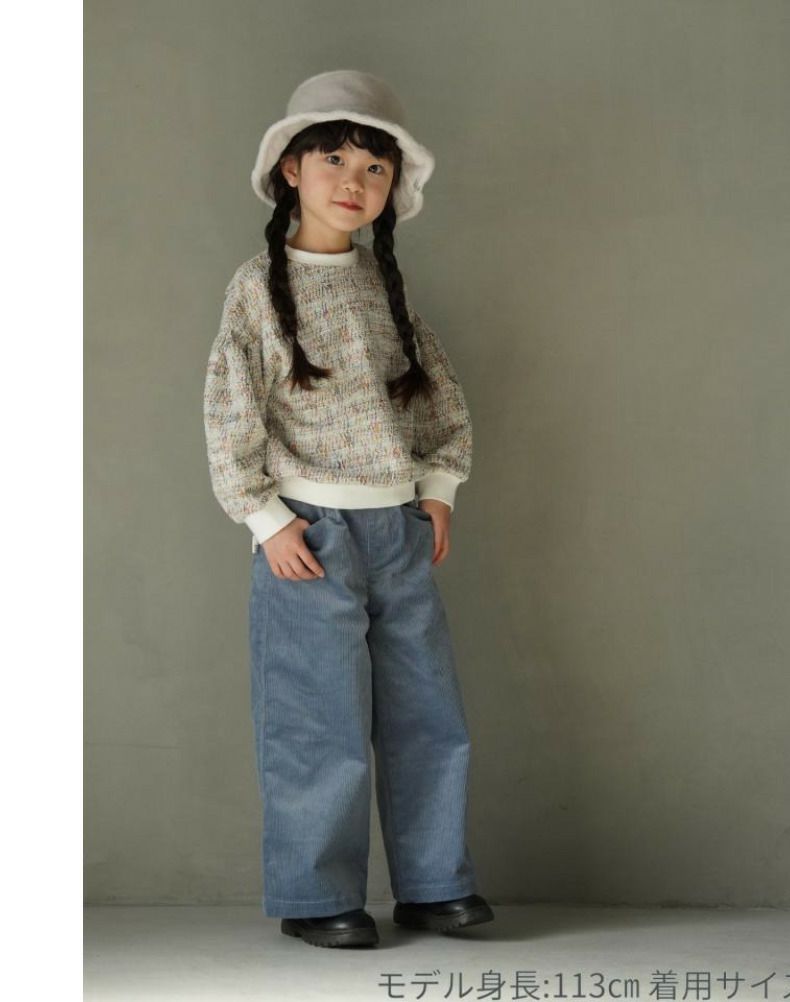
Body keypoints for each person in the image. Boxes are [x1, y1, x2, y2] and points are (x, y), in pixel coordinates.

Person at [202, 69, 493, 949]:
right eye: (332, 158)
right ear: (290, 169)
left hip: (398, 534)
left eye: (374, 167)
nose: (353, 181)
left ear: (391, 190)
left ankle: (434, 884)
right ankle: (316, 894)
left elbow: (438, 403)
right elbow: (230, 409)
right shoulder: (258, 289)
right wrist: (266, 520)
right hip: (310, 537)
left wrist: (436, 492)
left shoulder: (385, 290)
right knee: (315, 721)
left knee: (426, 716)